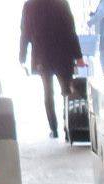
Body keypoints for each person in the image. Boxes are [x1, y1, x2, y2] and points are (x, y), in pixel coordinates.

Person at [21, 0, 85, 139]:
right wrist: (79, 57)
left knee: (48, 93)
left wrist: (22, 57)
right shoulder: (61, 3)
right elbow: (71, 31)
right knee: (67, 92)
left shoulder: (30, 5)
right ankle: (68, 129)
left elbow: (25, 33)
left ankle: (54, 129)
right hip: (63, 54)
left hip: (42, 56)